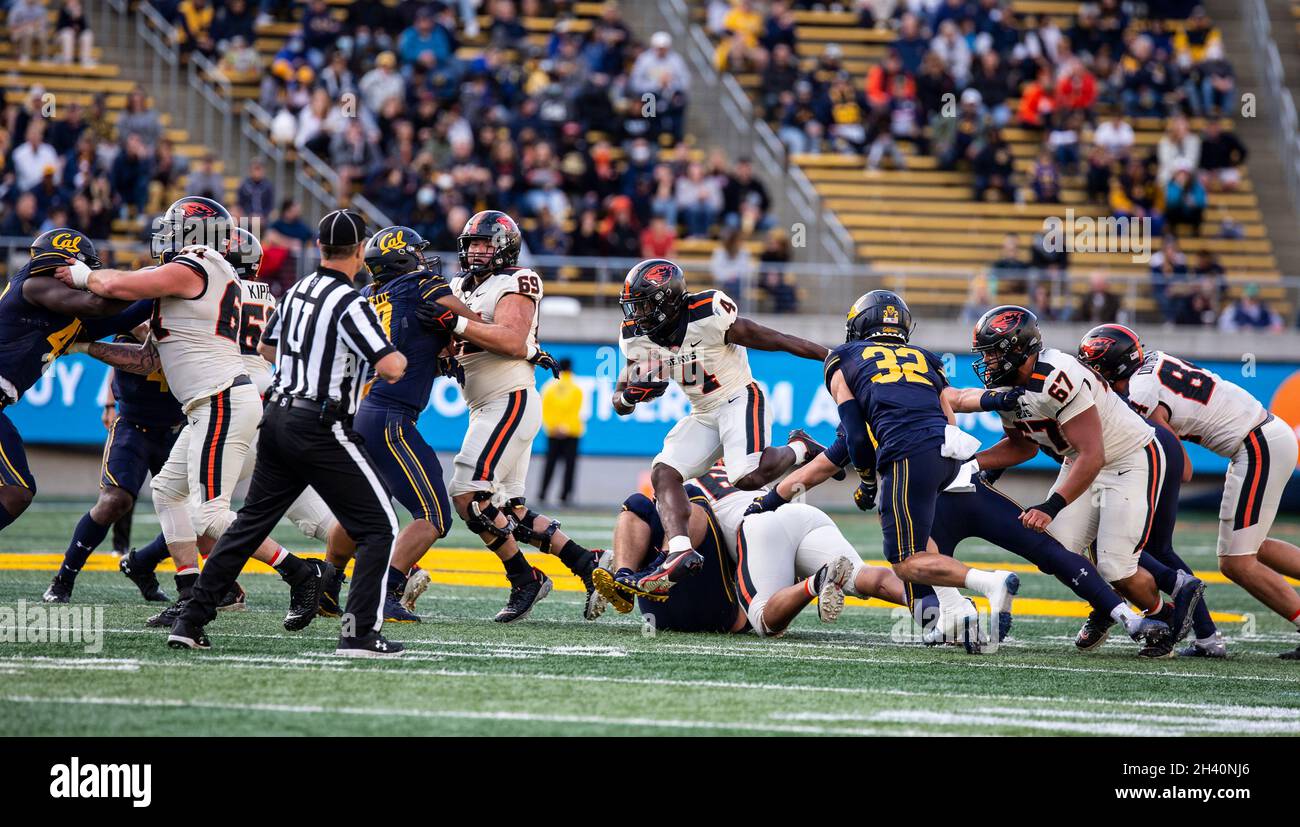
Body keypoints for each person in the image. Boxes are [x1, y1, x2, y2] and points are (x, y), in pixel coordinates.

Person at [59, 197, 327, 633]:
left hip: (222, 398)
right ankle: (189, 594)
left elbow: (118, 288)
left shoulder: (198, 263)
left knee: (210, 515)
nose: (164, 235)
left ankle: (300, 572)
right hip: (209, 402)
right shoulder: (193, 276)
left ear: (196, 234)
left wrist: (82, 275)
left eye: (173, 227)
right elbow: (147, 361)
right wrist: (84, 347)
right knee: (167, 490)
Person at [167, 209, 408, 656]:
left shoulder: (297, 290)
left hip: (275, 415)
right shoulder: (350, 301)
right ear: (359, 251)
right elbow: (391, 367)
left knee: (246, 526)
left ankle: (190, 619)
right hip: (320, 421)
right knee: (380, 525)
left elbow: (266, 345)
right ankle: (358, 633)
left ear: (318, 247)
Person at [1078, 324, 1300, 660]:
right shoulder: (1149, 367)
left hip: (1257, 446)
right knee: (1252, 549)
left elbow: (1181, 468)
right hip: (1261, 440)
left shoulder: (1140, 391)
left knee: (1237, 562)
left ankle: (1212, 636)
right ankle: (1206, 636)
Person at [613, 259, 829, 596]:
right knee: (664, 472)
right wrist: (630, 396)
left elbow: (773, 338)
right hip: (703, 412)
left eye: (642, 307)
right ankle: (680, 550)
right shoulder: (635, 337)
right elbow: (619, 399)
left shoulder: (706, 312)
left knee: (746, 476)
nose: (635, 316)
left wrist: (829, 356)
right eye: (633, 307)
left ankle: (801, 446)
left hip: (739, 396)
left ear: (665, 302)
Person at [951, 306, 1177, 627]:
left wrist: (1051, 506)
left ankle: (1161, 615)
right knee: (1055, 550)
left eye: (991, 354)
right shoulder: (1005, 388)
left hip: (1127, 457)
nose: (986, 362)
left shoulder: (1056, 375)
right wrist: (970, 463)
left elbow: (1092, 453)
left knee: (1115, 566)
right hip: (1083, 461)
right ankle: (1108, 605)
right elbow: (1022, 447)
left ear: (1017, 349)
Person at [435, 210, 605, 623]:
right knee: (507, 511)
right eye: (472, 243)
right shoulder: (459, 284)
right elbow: (449, 340)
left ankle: (524, 579)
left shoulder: (517, 280)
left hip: (508, 398)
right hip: (485, 404)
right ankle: (590, 566)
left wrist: (454, 320)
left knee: (467, 496)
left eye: (485, 243)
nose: (477, 251)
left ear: (505, 247)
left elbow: (512, 340)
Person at [349, 226, 476, 622]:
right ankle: (384, 591)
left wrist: (439, 357)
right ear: (403, 258)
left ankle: (329, 581)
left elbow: (404, 346)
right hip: (390, 416)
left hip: (360, 410)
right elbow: (474, 324)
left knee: (369, 510)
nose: (424, 260)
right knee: (434, 514)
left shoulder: (368, 297)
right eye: (416, 254)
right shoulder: (422, 286)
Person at [0, 230, 145, 534]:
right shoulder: (36, 285)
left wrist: (162, 288)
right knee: (16, 492)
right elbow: (97, 306)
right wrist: (149, 279)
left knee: (18, 491)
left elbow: (117, 318)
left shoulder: (58, 311)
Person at [44, 332, 184, 604]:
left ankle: (142, 563)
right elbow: (126, 354)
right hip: (133, 424)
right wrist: (110, 403)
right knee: (114, 500)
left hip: (178, 429)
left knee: (194, 515)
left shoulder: (190, 311)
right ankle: (64, 578)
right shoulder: (140, 308)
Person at [539, 358, 583, 506]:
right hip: (571, 432)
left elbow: (545, 409)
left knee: (549, 464)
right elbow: (576, 410)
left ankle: (543, 494)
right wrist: (566, 427)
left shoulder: (548, 387)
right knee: (569, 466)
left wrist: (553, 426)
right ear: (571, 368)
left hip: (553, 432)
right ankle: (565, 497)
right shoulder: (576, 387)